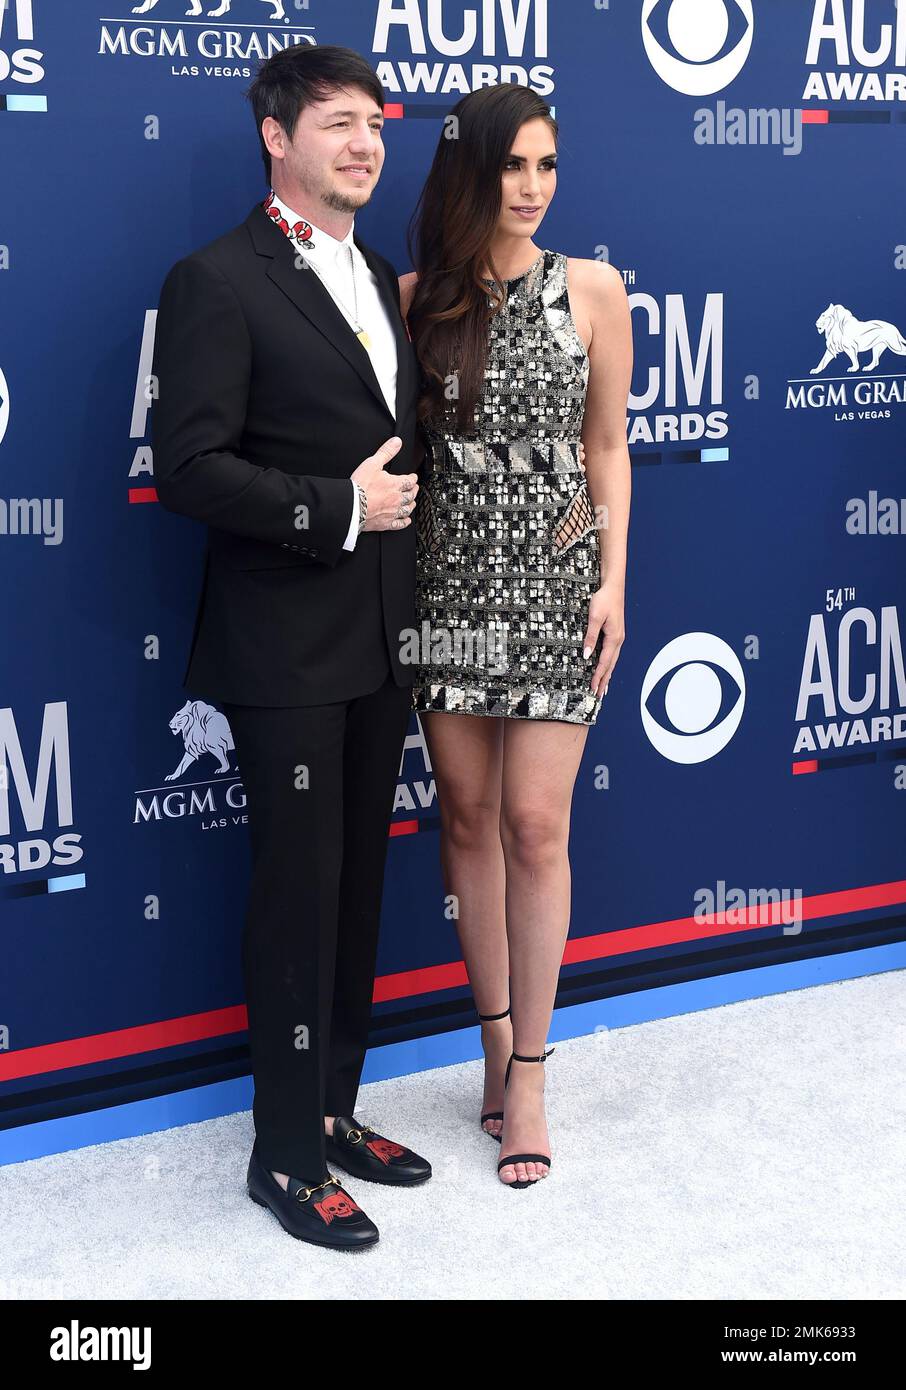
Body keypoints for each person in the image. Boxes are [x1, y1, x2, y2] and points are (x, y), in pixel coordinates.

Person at [151, 45, 431, 1252]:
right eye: (337, 125)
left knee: (359, 887)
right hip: (283, 648)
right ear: (277, 135)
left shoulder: (373, 266)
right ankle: (281, 1155)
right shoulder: (218, 277)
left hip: (378, 640)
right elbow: (189, 468)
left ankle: (331, 1108)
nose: (364, 144)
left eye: (374, 124)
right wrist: (334, 508)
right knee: (297, 899)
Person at [399, 84, 633, 1190]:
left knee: (538, 825)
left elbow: (609, 449)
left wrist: (611, 585)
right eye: (512, 167)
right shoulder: (417, 300)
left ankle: (531, 1071)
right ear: (473, 172)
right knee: (468, 816)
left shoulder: (593, 288)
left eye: (547, 165)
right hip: (445, 588)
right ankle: (489, 1044)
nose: (533, 187)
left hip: (555, 589)